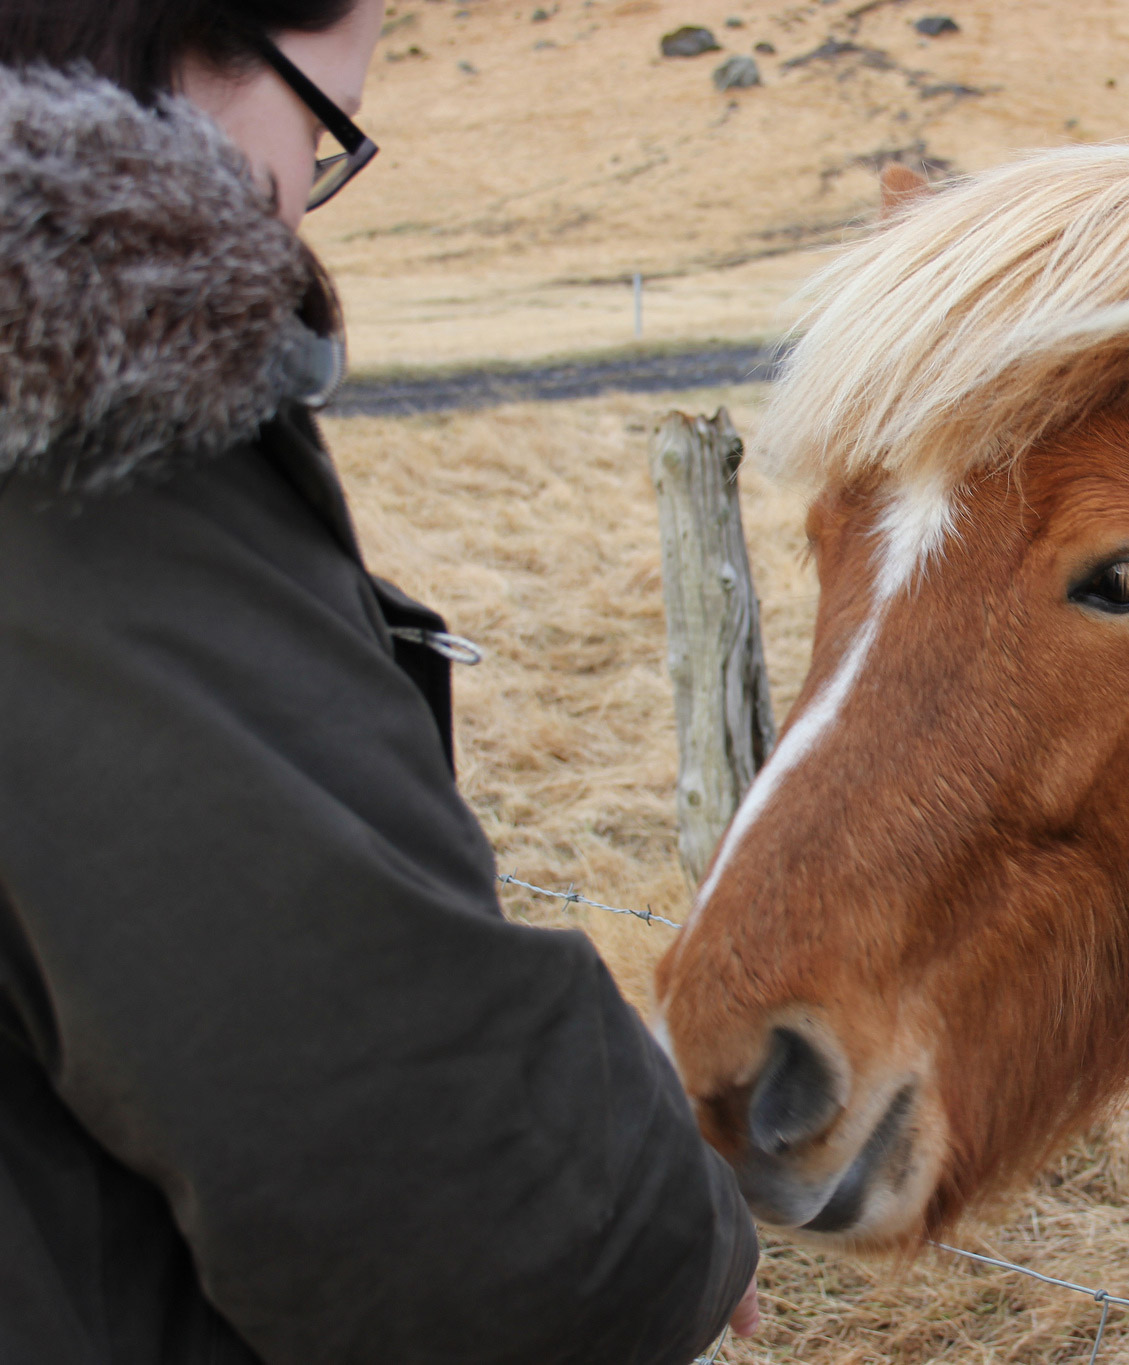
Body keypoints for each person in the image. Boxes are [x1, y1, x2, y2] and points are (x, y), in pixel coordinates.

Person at [0, 3, 761, 1362]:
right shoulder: (82, 434)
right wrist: (661, 1232)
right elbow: (444, 1204)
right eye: (320, 132)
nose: (301, 218)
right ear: (152, 46)